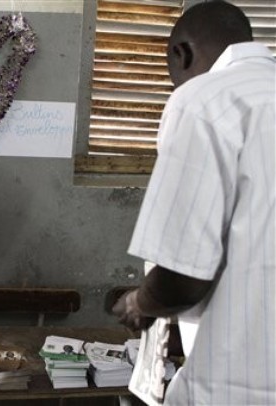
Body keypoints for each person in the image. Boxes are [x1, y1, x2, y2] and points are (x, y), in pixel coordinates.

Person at [112, 1, 275, 405]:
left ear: (180, 54)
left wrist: (139, 302)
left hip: (238, 383)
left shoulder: (203, 100)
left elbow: (184, 278)